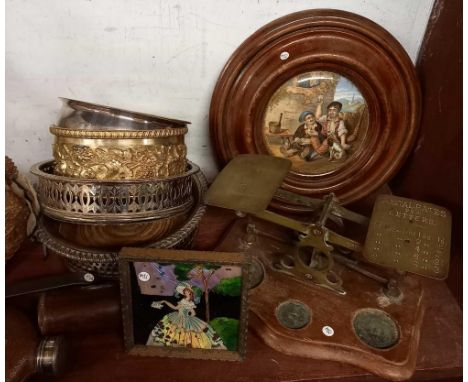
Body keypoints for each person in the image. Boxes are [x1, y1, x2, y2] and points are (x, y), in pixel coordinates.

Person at [146, 282, 226, 349]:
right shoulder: (183, 300)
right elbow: (175, 307)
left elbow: (193, 313)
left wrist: (187, 316)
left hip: (185, 318)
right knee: (173, 331)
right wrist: (164, 301)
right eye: (185, 291)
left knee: (186, 333)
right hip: (177, 317)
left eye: (187, 291)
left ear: (190, 293)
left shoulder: (190, 302)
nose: (186, 292)